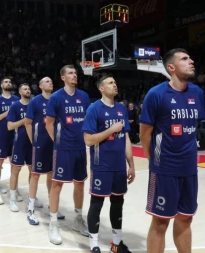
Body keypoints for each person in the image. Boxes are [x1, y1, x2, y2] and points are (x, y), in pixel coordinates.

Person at [139, 48, 205, 253]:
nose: (191, 61)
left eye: (190, 57)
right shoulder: (156, 94)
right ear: (171, 67)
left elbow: (192, 128)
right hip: (164, 169)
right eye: (185, 59)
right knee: (160, 222)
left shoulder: (197, 93)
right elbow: (144, 134)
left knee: (186, 218)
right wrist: (156, 162)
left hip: (189, 169)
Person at [82, 76, 135, 253]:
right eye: (111, 83)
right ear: (101, 88)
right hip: (101, 165)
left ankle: (116, 244)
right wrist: (111, 130)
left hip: (119, 167)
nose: (115, 84)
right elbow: (88, 140)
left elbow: (126, 138)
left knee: (118, 203)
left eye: (115, 82)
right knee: (96, 203)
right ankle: (94, 245)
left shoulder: (121, 109)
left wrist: (131, 165)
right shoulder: (94, 109)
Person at [45, 65, 90, 245]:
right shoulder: (56, 97)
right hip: (63, 148)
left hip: (80, 147)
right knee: (57, 185)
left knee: (80, 184)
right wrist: (57, 142)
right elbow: (49, 123)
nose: (74, 75)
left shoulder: (84, 96)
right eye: (70, 73)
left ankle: (78, 219)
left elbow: (87, 120)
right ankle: (53, 223)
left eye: (75, 73)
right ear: (63, 77)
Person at [25, 77, 64, 225]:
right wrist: (33, 141)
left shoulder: (57, 100)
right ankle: (30, 210)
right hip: (40, 143)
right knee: (35, 175)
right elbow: (28, 123)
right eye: (47, 81)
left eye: (51, 81)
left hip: (55, 144)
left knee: (52, 176)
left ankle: (51, 205)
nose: (50, 82)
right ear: (41, 86)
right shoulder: (35, 101)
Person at [0, 77, 19, 204]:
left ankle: (14, 190)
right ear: (1, 85)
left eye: (10, 82)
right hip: (1, 135)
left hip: (15, 136)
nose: (8, 83)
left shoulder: (16, 99)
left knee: (15, 165)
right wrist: (7, 113)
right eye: (6, 82)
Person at [6, 83, 33, 212]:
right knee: (15, 170)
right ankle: (12, 198)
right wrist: (25, 120)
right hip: (19, 142)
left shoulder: (35, 104)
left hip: (33, 142)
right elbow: (10, 126)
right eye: (25, 89)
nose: (28, 90)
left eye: (28, 89)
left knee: (33, 171)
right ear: (19, 92)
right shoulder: (15, 106)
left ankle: (32, 197)